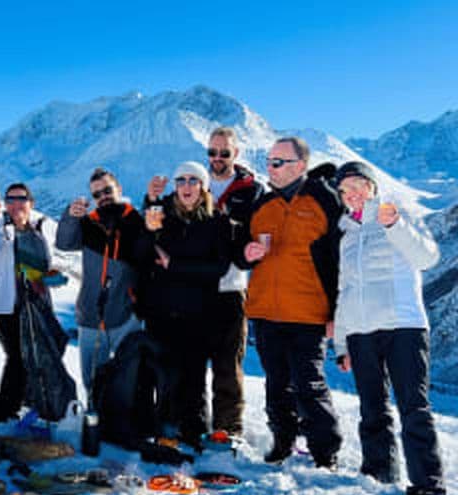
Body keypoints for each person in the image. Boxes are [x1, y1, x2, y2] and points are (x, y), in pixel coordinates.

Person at [333, 161, 445, 495]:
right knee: (372, 408)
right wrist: (341, 343)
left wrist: (395, 225)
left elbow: (427, 258)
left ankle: (427, 487)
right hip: (362, 332)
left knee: (414, 407)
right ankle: (379, 473)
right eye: (345, 189)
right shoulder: (346, 234)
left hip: (404, 327)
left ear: (372, 187)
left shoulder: (397, 215)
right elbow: (344, 292)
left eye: (358, 185)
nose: (352, 193)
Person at [146, 127, 263, 436]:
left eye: (225, 152)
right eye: (213, 151)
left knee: (227, 365)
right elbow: (159, 220)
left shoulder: (250, 190)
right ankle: (190, 423)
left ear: (236, 154)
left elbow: (254, 234)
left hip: (231, 285)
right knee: (191, 363)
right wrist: (151, 200)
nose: (218, 157)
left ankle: (228, 428)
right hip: (195, 292)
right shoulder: (191, 180)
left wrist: (249, 254)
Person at [238, 136, 342, 468]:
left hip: (309, 312)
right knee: (276, 383)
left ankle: (325, 452)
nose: (271, 167)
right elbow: (240, 250)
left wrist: (337, 311)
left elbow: (340, 260)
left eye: (278, 162)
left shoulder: (324, 200)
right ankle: (282, 442)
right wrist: (246, 253)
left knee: (308, 383)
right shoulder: (263, 205)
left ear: (301, 166)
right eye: (269, 161)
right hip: (267, 311)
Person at [137, 161, 231, 447]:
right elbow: (141, 253)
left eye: (193, 180)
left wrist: (174, 264)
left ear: (203, 187)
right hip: (162, 311)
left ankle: (193, 433)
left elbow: (219, 267)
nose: (187, 186)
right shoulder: (162, 214)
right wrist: (149, 223)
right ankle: (164, 431)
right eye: (181, 181)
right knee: (162, 373)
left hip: (199, 312)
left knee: (193, 376)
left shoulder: (217, 220)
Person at [0, 184, 70, 421]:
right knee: (18, 357)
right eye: (11, 198)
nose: (16, 203)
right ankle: (3, 412)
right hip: (6, 306)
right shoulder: (1, 228)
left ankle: (30, 401)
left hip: (36, 305)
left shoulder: (37, 230)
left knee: (51, 345)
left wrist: (48, 277)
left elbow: (36, 266)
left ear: (31, 202)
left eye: (21, 198)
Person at [55, 167, 144, 396]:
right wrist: (70, 216)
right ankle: (97, 426)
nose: (103, 196)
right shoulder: (89, 224)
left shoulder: (136, 221)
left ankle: (130, 427)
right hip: (90, 318)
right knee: (92, 383)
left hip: (125, 317)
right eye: (97, 194)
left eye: (107, 190)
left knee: (133, 380)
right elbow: (64, 242)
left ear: (119, 189)